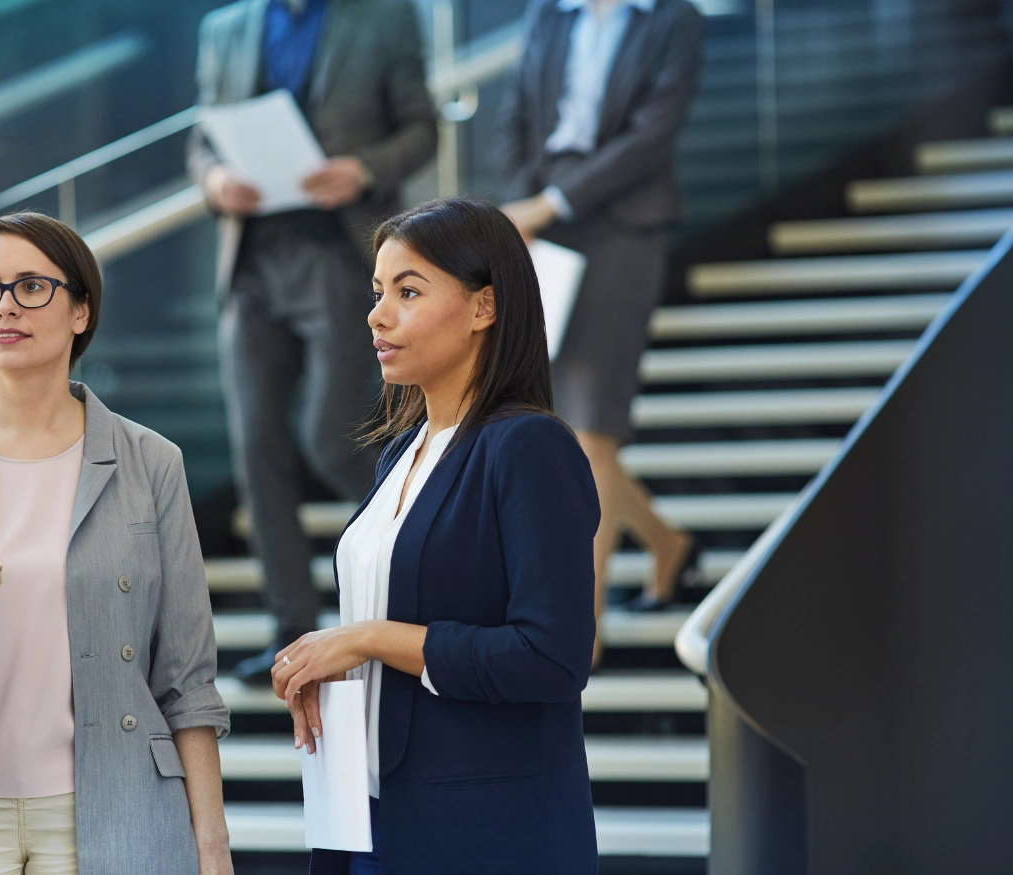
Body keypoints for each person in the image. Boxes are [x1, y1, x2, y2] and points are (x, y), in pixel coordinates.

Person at [0, 212, 232, 875]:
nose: (4, 305)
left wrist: (212, 848)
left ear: (80, 310)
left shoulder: (151, 462)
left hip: (110, 811)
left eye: (31, 286)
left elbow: (186, 682)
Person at [270, 198, 602, 873]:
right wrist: (322, 662)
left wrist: (368, 637)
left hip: (483, 832)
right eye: (377, 292)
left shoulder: (528, 446)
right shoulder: (403, 453)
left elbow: (554, 655)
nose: (377, 314)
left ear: (484, 307)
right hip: (370, 813)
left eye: (408, 291)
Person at [187, 0, 439, 683]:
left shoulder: (384, 18)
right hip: (251, 262)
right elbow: (203, 137)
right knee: (256, 450)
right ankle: (290, 628)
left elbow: (424, 130)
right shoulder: (225, 29)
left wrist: (363, 169)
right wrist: (213, 179)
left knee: (331, 435)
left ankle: (426, 553)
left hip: (340, 253)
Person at [499, 0, 705, 663]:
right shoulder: (548, 15)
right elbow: (519, 116)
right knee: (556, 420)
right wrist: (517, 208)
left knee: (591, 426)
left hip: (624, 223)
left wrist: (553, 201)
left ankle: (579, 628)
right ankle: (667, 543)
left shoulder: (674, 20)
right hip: (537, 222)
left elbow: (652, 137)